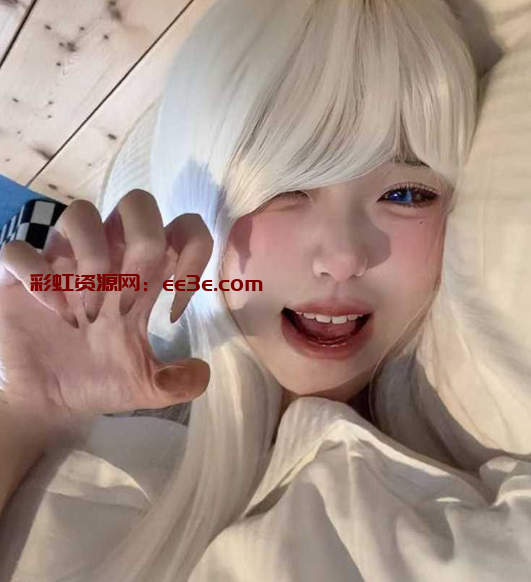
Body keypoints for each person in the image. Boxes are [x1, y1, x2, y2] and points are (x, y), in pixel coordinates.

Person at [1, 0, 531, 580]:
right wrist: (29, 409)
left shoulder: (460, 516)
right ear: (197, 208)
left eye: (406, 194)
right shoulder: (84, 464)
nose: (343, 258)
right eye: (287, 187)